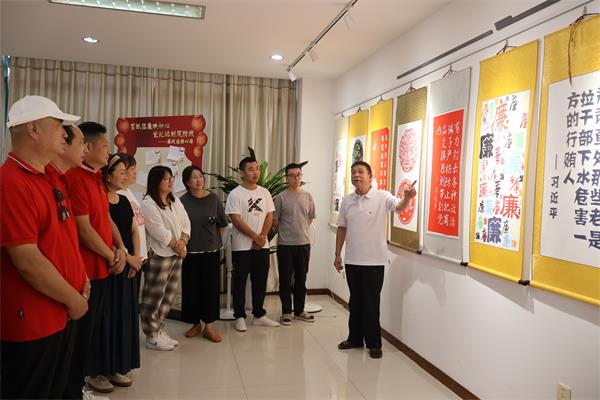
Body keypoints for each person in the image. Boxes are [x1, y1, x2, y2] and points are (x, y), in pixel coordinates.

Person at [1, 95, 88, 399]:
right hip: (33, 323)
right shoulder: (12, 182)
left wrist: (81, 279)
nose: (65, 134)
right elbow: (27, 259)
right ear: (34, 129)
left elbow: (62, 240)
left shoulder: (45, 177)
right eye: (59, 126)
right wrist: (74, 299)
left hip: (59, 313)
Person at [64, 121, 127, 396]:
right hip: (87, 271)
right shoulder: (75, 178)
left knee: (95, 332)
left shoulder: (95, 178)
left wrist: (120, 248)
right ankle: (77, 388)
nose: (108, 151)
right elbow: (84, 230)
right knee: (80, 337)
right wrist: (112, 254)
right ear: (87, 147)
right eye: (104, 146)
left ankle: (85, 382)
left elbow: (105, 219)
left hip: (104, 268)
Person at [334, 161, 416, 359]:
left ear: (371, 177)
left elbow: (399, 207)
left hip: (374, 262)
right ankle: (355, 338)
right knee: (355, 302)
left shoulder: (382, 196)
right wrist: (337, 254)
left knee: (371, 303)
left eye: (361, 172)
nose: (356, 175)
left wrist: (407, 198)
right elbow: (342, 228)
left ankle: (374, 343)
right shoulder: (347, 201)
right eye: (353, 172)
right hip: (352, 260)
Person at [97, 153, 143, 388]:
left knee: (123, 317)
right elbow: (104, 231)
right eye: (122, 172)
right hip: (110, 264)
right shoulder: (99, 199)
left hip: (129, 264)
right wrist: (126, 257)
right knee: (106, 318)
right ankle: (98, 372)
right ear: (108, 175)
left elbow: (134, 230)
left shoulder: (124, 200)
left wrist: (136, 258)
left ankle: (117, 366)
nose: (126, 176)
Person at [225, 157, 279, 332]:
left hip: (262, 246)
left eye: (257, 169)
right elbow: (236, 219)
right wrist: (255, 237)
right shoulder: (235, 194)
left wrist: (262, 237)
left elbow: (269, 216)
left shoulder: (264, 192)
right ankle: (239, 316)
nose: (256, 172)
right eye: (251, 169)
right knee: (240, 281)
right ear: (242, 172)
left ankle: (259, 315)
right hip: (242, 246)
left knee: (260, 281)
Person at [141, 165, 191, 351]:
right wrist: (178, 246)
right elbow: (159, 232)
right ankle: (151, 335)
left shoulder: (174, 200)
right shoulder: (148, 204)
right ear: (156, 182)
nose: (170, 181)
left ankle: (160, 329)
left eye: (171, 178)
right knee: (154, 296)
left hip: (176, 254)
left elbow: (186, 222)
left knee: (169, 295)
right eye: (166, 178)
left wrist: (183, 242)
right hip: (159, 254)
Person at [180, 166, 228, 342]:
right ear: (187, 182)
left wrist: (215, 243)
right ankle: (195, 324)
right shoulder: (181, 202)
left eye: (200, 176)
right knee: (191, 289)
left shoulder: (213, 199)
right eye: (194, 177)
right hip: (190, 252)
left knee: (210, 289)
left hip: (210, 252)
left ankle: (208, 326)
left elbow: (222, 224)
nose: (199, 180)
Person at [273, 163, 316, 325]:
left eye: (299, 175)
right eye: (292, 175)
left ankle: (299, 310)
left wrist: (300, 230)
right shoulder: (280, 198)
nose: (296, 178)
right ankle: (286, 312)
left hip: (303, 244)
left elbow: (310, 218)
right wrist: (288, 232)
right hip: (285, 245)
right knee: (285, 279)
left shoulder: (308, 196)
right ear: (286, 178)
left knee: (301, 278)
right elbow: (275, 221)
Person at [117, 154, 148, 262]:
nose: (135, 172)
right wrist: (133, 257)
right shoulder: (117, 194)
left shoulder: (129, 192)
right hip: (129, 256)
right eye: (131, 169)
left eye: (135, 168)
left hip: (140, 255)